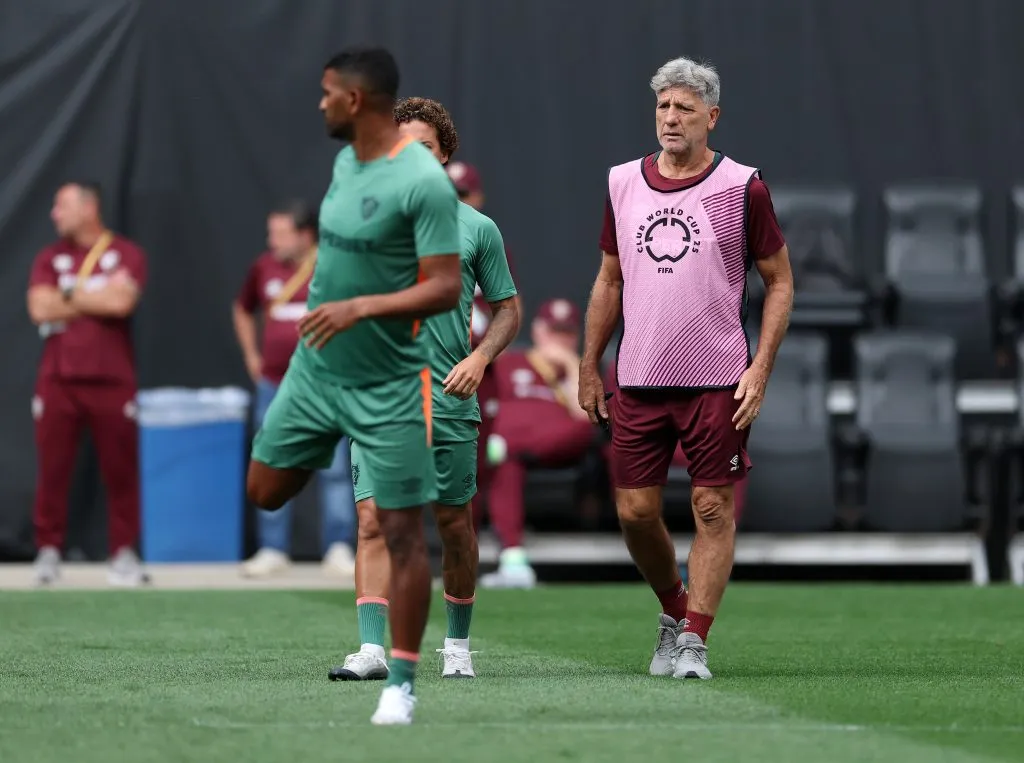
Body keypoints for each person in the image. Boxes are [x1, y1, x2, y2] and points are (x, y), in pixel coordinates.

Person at [245, 48, 462, 726]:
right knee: (265, 491)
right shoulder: (345, 162)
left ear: (357, 100)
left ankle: (400, 680)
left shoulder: (423, 181)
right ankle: (325, 440)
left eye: (327, 92)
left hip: (389, 380)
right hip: (316, 370)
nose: (320, 103)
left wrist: (360, 309)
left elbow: (445, 286)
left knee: (398, 530)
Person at [578, 56, 794, 680]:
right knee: (635, 513)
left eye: (684, 109)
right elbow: (609, 278)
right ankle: (675, 609)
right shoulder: (622, 181)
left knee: (711, 509)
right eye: (663, 107)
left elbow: (779, 282)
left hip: (718, 377)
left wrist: (761, 369)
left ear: (712, 116)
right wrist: (589, 365)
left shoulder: (742, 185)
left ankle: (694, 640)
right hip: (638, 375)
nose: (670, 119)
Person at [329, 97, 519, 682]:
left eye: (426, 148)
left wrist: (482, 358)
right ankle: (371, 650)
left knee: (453, 526)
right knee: (372, 521)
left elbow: (508, 309)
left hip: (450, 398)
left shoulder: (476, 229)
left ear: (444, 157)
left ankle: (457, 647)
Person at [26, 181, 149, 587]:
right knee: (52, 469)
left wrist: (68, 296)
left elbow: (121, 303)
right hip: (58, 379)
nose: (54, 215)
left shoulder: (126, 253)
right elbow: (39, 308)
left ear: (88, 207)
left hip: (112, 379)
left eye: (61, 206)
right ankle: (47, 550)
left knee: (121, 469)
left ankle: (123, 553)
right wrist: (92, 294)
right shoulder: (50, 257)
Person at [233, 201, 357, 579]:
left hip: (325, 383)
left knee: (335, 467)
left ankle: (338, 546)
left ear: (305, 235)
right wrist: (252, 355)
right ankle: (273, 548)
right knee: (272, 461)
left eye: (280, 233)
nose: (272, 241)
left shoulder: (333, 263)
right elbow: (242, 307)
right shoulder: (263, 267)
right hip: (275, 383)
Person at [480, 299, 597, 588]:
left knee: (583, 428)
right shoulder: (510, 362)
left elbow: (585, 416)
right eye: (553, 331)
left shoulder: (579, 370)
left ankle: (506, 445)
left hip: (556, 446)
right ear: (537, 330)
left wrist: (571, 364)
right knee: (504, 462)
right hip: (509, 451)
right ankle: (514, 560)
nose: (559, 339)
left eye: (566, 332)